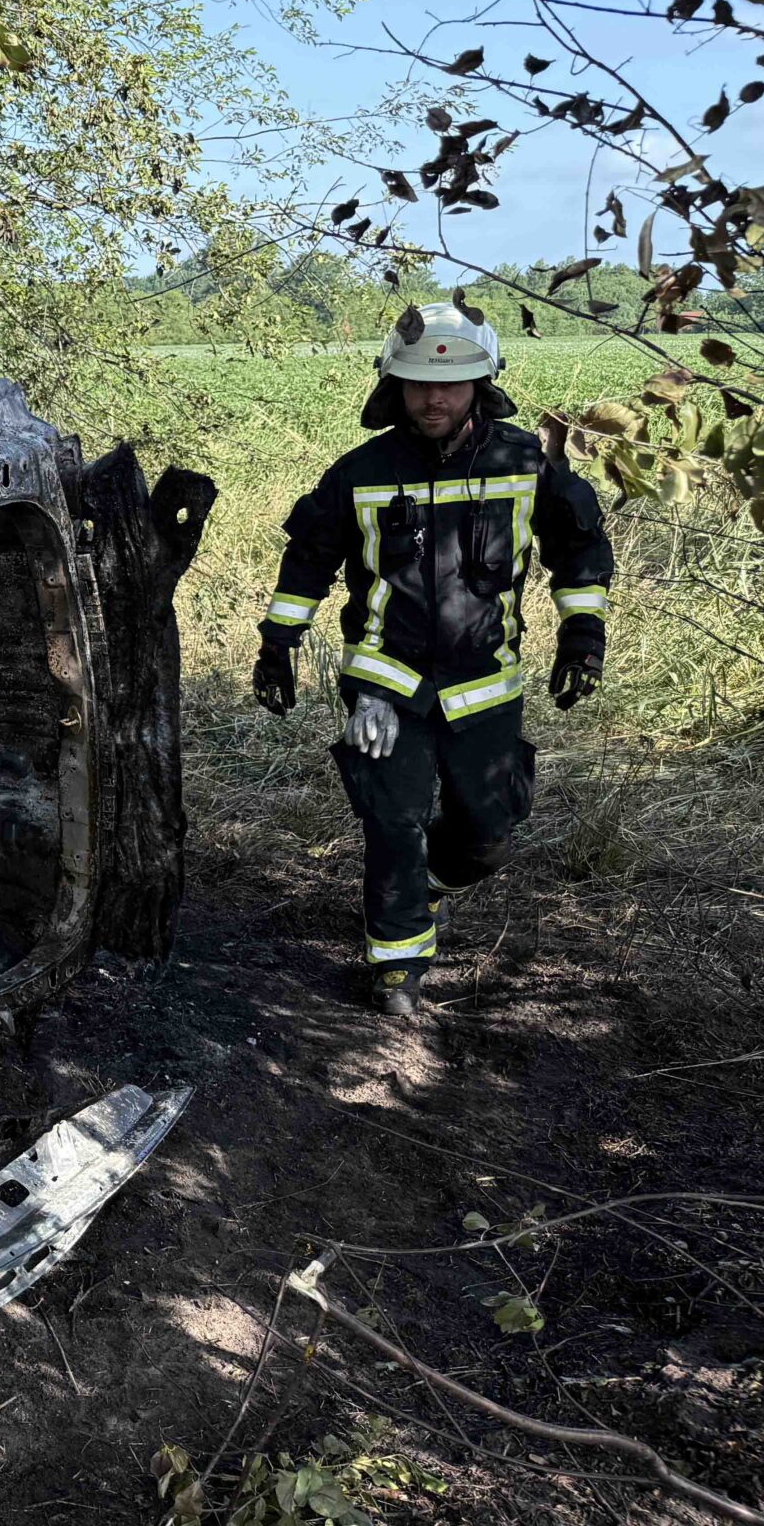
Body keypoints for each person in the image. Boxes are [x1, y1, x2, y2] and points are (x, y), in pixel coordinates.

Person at [251, 301, 614, 1015]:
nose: (434, 397)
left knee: (488, 834)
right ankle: (398, 967)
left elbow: (579, 545)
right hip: (386, 686)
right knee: (393, 820)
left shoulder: (523, 462)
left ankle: (429, 886)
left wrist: (582, 635)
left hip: (487, 685)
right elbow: (308, 561)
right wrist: (277, 646)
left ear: (484, 381)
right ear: (395, 385)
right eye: (418, 383)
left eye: (449, 383)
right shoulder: (360, 472)